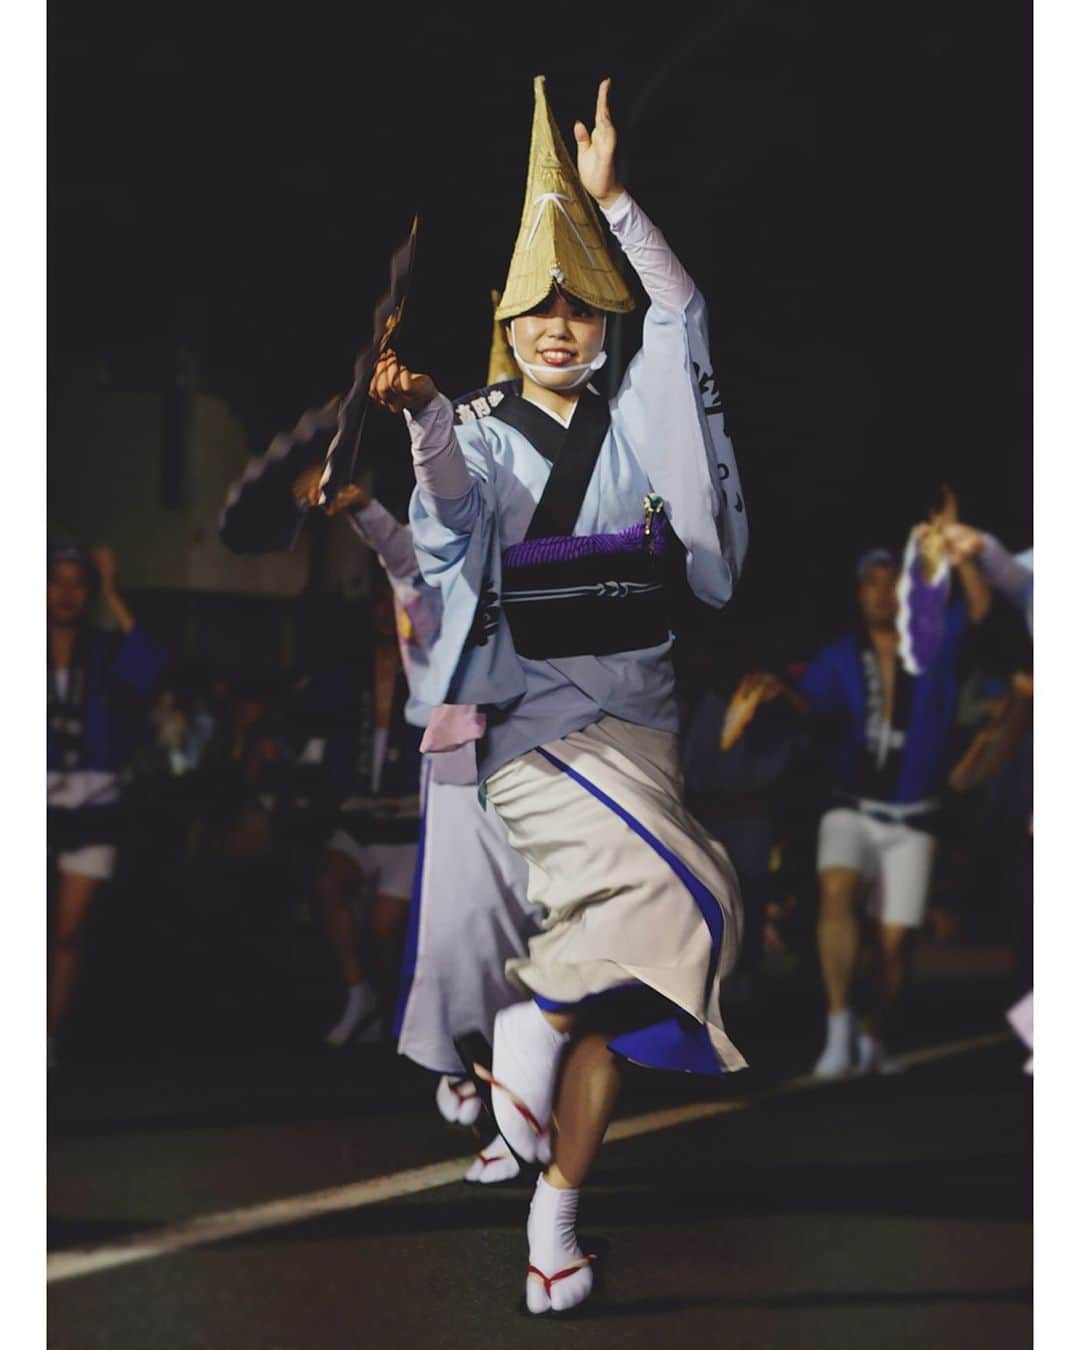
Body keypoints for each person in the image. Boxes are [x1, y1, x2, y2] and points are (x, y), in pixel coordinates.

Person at [373, 76, 748, 1313]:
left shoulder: (636, 418)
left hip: (643, 725)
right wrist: (425, 409)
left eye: (580, 307)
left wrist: (616, 205)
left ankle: (554, 1220)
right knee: (697, 896)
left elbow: (682, 318)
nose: (557, 324)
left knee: (622, 994)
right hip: (534, 739)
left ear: (600, 321)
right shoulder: (476, 426)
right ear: (503, 319)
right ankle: (523, 1023)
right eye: (535, 306)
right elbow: (447, 512)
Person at [791, 541, 990, 1076]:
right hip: (850, 805)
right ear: (858, 594)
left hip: (913, 814)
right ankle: (837, 1031)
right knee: (836, 892)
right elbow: (810, 708)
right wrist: (781, 698)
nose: (882, 592)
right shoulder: (836, 657)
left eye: (892, 582)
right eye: (871, 583)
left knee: (895, 944)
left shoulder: (933, 646)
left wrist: (963, 554)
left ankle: (874, 1036)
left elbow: (977, 609)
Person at [47, 543, 167, 1065]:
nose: (67, 593)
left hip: (95, 803)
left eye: (79, 582)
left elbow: (151, 663)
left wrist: (113, 590)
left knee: (68, 932)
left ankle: (46, 1039)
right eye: (58, 580)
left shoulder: (103, 650)